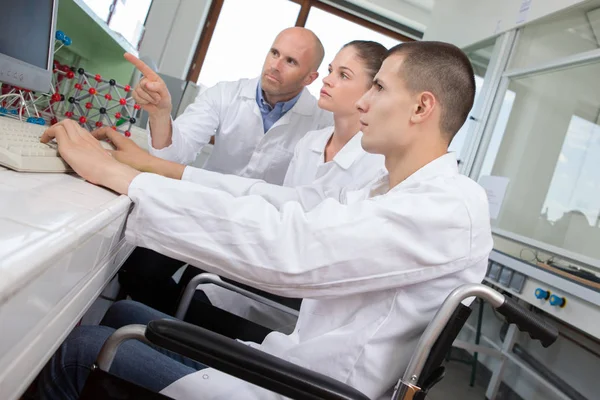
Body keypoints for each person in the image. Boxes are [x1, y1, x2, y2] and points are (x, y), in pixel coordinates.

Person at [37, 41, 493, 400]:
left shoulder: (446, 209)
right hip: (291, 366)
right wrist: (145, 174)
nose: (363, 103)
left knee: (80, 350)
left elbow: (288, 248)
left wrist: (121, 177)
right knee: (123, 312)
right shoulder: (393, 192)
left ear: (420, 108)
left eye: (379, 88)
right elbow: (279, 203)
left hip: (300, 388)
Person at [152, 39, 389, 335]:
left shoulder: (376, 164)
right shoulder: (311, 143)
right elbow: (277, 212)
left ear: (373, 91)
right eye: (331, 70)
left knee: (182, 297)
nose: (329, 80)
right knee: (147, 265)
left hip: (285, 287)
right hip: (250, 248)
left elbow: (293, 226)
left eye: (343, 75)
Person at [117, 27, 333, 312]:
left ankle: (170, 335)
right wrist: (160, 113)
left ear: (310, 78)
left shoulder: (322, 122)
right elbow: (173, 156)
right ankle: (163, 328)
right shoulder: (224, 94)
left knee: (201, 298)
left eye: (290, 61)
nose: (275, 65)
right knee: (136, 271)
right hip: (199, 210)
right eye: (274, 52)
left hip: (252, 234)